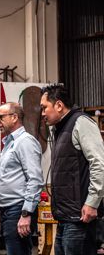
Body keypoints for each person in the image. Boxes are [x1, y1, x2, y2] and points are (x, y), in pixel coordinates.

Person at [40, 84, 104, 255]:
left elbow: (99, 164)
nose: (42, 113)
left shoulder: (81, 122)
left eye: (44, 107)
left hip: (79, 219)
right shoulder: (60, 129)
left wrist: (92, 202)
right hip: (65, 218)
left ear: (59, 105)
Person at [0, 102, 44, 255]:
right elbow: (8, 179)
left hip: (18, 211)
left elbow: (35, 180)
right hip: (8, 210)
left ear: (14, 117)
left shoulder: (25, 142)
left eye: (1, 117)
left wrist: (26, 214)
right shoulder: (11, 143)